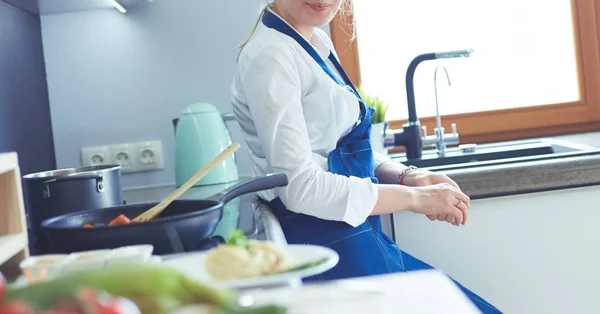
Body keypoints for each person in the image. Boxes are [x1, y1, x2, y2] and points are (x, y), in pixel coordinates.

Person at [230, 1, 502, 313]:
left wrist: (406, 175)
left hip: (354, 233)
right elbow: (301, 188)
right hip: (326, 243)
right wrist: (415, 199)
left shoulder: (313, 41)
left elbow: (335, 148)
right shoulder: (271, 57)